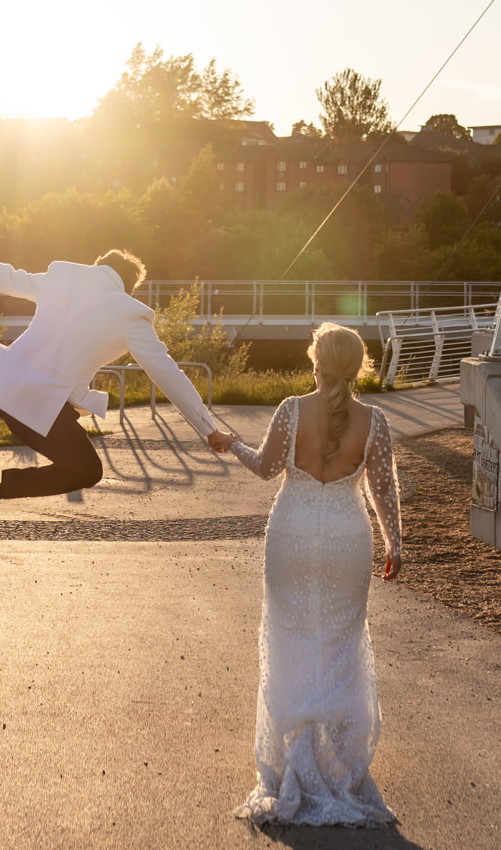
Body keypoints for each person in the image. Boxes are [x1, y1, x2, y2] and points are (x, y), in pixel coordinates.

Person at [0, 241, 223, 532]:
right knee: (86, 471)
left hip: (5, 385)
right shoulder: (131, 313)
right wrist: (209, 429)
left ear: (98, 266)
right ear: (129, 288)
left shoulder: (62, 277)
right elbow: (167, 371)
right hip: (43, 413)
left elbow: (5, 276)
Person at [214, 322, 401, 826]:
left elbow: (265, 468)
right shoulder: (375, 420)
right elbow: (382, 489)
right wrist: (394, 542)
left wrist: (231, 443)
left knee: (291, 639)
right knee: (340, 645)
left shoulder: (292, 409)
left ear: (318, 362)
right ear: (357, 365)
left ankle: (294, 761)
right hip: (346, 536)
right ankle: (338, 770)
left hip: (292, 532)